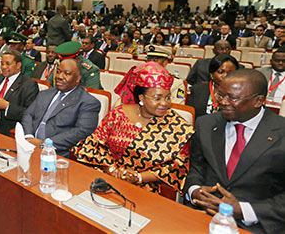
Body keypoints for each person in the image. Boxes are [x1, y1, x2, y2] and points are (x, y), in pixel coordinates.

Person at [184, 69, 285, 233]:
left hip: (258, 225)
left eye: (232, 98)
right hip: (203, 216)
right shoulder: (206, 124)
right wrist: (194, 190)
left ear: (258, 101)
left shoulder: (281, 133)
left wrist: (244, 210)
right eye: (220, 95)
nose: (222, 102)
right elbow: (196, 168)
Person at [72, 62, 194, 193]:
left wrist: (138, 177)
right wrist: (112, 170)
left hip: (145, 189)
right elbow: (94, 144)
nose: (164, 103)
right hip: (105, 179)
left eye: (168, 97)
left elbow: (178, 166)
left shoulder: (177, 126)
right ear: (141, 97)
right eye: (157, 98)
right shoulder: (118, 114)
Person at [21, 59, 101, 157]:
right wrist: (28, 136)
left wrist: (44, 144)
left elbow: (81, 132)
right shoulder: (45, 93)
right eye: (58, 72)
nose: (59, 77)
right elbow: (28, 114)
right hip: (29, 146)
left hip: (58, 154)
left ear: (77, 78)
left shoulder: (88, 102)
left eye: (66, 74)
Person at [188, 54, 240, 119]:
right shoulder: (197, 89)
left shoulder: (239, 95)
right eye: (221, 72)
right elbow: (190, 115)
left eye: (230, 73)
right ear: (212, 75)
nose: (225, 76)